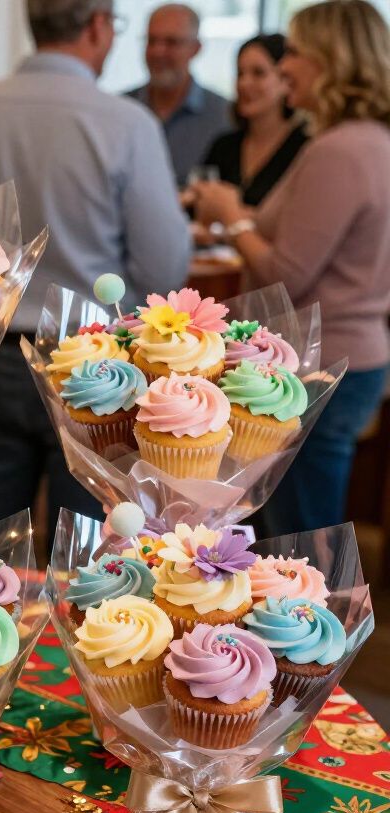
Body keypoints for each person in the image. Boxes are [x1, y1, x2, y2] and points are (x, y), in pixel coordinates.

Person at [0, 0, 190, 544]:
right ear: (97, 27)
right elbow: (166, 263)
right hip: (92, 364)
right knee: (87, 546)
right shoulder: (124, 123)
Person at [195, 0, 390, 536]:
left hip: (320, 365)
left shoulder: (338, 151)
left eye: (297, 52)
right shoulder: (370, 141)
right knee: (306, 532)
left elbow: (287, 274)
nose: (285, 68)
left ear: (333, 60)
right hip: (350, 356)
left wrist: (234, 217)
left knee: (300, 542)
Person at [127, 3, 230, 184]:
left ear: (196, 48)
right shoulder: (120, 110)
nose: (158, 52)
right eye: (151, 41)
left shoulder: (225, 117)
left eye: (171, 42)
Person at [200, 35, 307, 207]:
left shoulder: (304, 148)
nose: (244, 83)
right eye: (240, 73)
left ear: (286, 80)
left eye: (258, 73)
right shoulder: (224, 146)